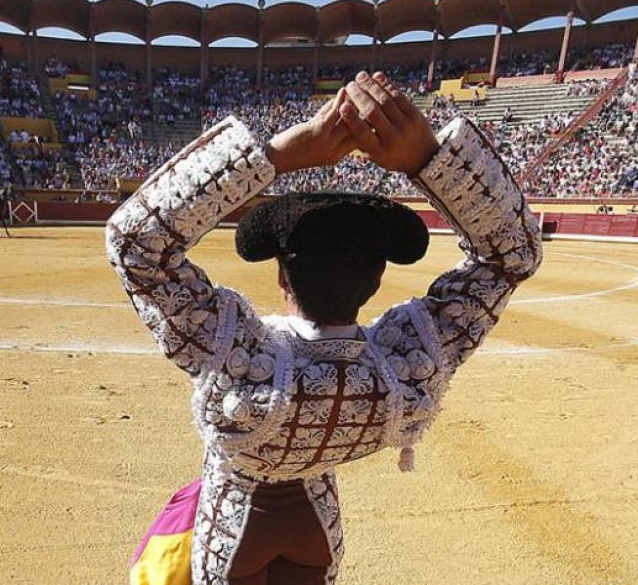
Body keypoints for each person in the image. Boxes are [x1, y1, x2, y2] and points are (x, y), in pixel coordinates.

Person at [108, 72, 542, 584]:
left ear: (279, 274)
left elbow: (134, 244)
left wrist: (276, 157)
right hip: (318, 527)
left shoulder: (241, 360)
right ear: (377, 279)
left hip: (234, 528)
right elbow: (511, 256)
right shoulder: (402, 372)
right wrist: (431, 160)